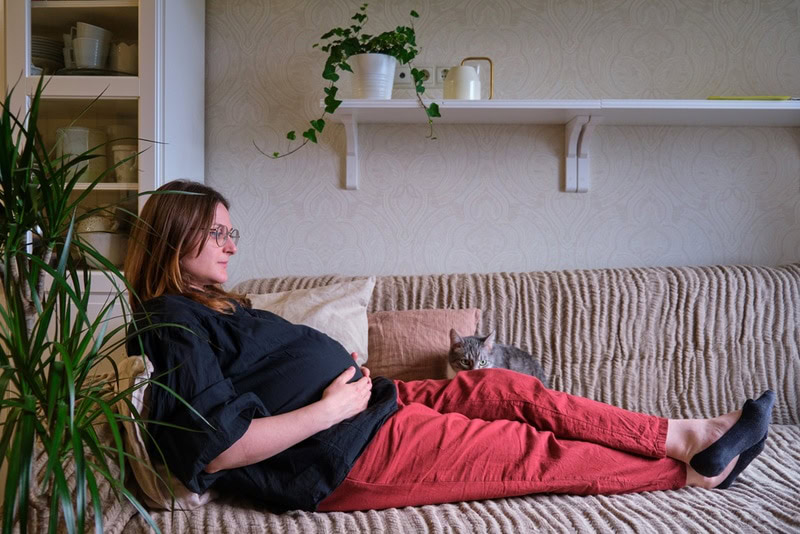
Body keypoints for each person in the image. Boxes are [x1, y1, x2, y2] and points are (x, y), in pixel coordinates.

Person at [124, 180, 775, 513]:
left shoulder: (210, 306)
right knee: (529, 455)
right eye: (218, 233)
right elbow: (218, 446)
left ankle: (682, 433)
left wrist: (350, 387)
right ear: (174, 234)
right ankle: (690, 470)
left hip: (377, 407)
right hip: (345, 452)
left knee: (504, 387)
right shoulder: (169, 323)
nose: (232, 246)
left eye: (234, 233)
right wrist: (331, 410)